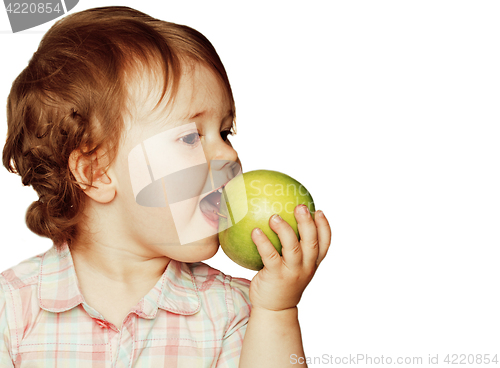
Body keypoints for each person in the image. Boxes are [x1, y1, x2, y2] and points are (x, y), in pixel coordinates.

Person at [0, 6, 331, 367]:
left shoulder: (237, 310)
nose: (228, 154)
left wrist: (277, 308)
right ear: (96, 171)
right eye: (191, 137)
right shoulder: (11, 310)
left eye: (224, 132)